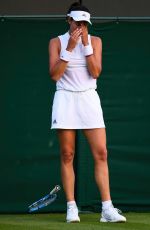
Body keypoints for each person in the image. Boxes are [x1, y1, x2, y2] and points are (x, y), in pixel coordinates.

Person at [48, 1, 126, 223]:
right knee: (67, 154)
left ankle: (107, 209)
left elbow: (95, 72)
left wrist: (85, 46)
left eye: (85, 22)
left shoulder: (96, 41)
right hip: (65, 98)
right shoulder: (56, 42)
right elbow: (54, 75)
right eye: (77, 22)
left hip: (88, 98)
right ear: (68, 20)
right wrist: (70, 49)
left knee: (101, 153)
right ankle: (71, 207)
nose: (81, 26)